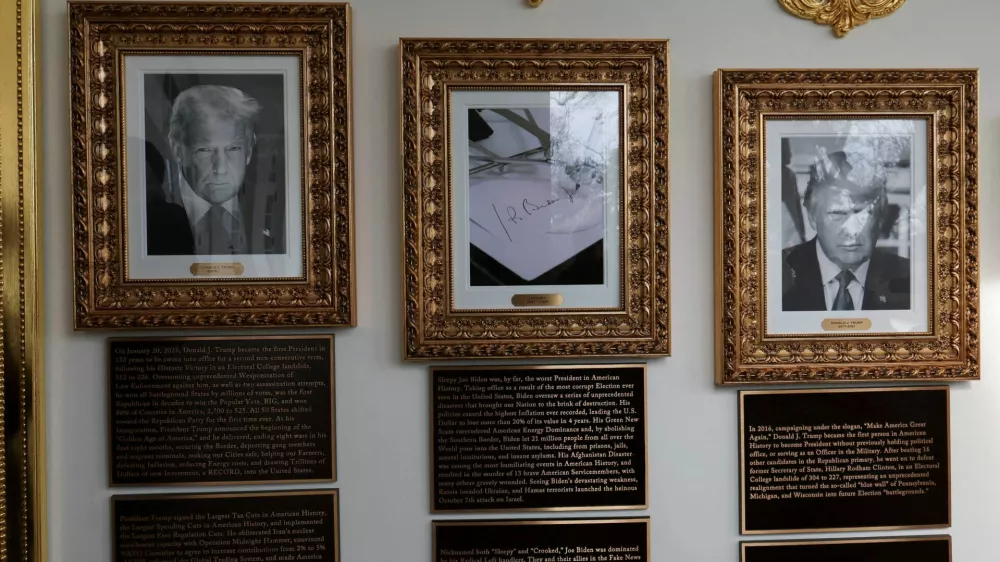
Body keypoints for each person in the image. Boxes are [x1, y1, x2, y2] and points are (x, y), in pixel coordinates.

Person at [145, 84, 283, 256]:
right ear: (179, 150)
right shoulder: (146, 223)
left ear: (248, 150)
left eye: (233, 149)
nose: (221, 168)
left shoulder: (279, 215)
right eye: (205, 150)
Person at [782, 149, 910, 311]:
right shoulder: (774, 276)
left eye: (863, 213)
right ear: (812, 217)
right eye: (837, 213)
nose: (851, 230)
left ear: (880, 216)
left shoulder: (912, 280)